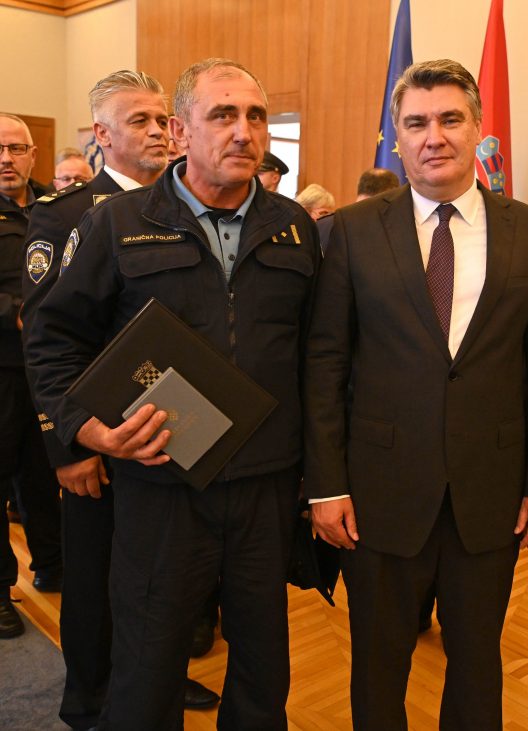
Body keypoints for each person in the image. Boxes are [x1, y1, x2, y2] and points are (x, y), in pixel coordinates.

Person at [25, 58, 319, 730]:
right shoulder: (117, 222)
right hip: (161, 479)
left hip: (264, 484)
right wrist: (84, 431)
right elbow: (53, 338)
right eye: (223, 115)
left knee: (262, 665)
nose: (244, 131)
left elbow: (315, 353)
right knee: (148, 661)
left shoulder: (295, 226)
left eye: (255, 116)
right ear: (181, 132)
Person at [304, 58, 528, 730]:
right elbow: (326, 362)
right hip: (378, 494)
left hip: (490, 494)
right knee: (378, 664)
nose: (434, 137)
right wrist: (326, 485)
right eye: (417, 123)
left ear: (478, 128)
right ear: (397, 136)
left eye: (450, 119)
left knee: (478, 663)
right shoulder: (354, 229)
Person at [22, 70, 219, 728]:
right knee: (96, 582)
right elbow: (45, 337)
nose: (159, 131)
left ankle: (156, 680)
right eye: (140, 121)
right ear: (102, 135)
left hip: (173, 436)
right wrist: (66, 443)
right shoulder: (67, 214)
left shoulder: (190, 206)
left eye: (164, 119)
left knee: (163, 581)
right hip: (100, 441)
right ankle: (89, 702)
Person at [0, 113, 61, 640]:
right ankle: (0, 592)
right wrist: (14, 312)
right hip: (1, 367)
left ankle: (53, 564)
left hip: (48, 368)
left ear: (32, 154)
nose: (6, 159)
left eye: (16, 149)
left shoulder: (54, 207)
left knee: (45, 475)